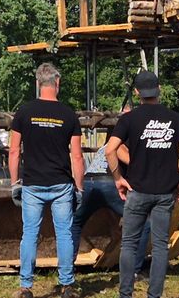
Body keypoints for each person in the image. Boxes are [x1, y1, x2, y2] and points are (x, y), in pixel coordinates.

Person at [105, 70, 179, 298]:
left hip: (137, 191)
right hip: (165, 193)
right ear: (159, 89)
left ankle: (125, 294)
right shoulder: (176, 119)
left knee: (129, 244)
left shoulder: (129, 119)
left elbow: (110, 149)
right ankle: (154, 295)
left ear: (137, 92)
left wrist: (119, 178)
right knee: (159, 247)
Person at [9, 63, 84, 298]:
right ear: (57, 83)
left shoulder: (24, 112)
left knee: (30, 234)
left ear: (38, 84)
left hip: (32, 184)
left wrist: (14, 183)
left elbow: (13, 151)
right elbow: (77, 156)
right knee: (64, 233)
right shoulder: (68, 115)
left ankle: (25, 286)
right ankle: (67, 285)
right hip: (61, 185)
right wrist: (79, 188)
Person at [69, 105, 148, 277]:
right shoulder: (128, 132)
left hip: (90, 181)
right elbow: (119, 150)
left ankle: (67, 268)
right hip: (109, 184)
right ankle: (135, 270)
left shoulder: (113, 136)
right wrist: (141, 164)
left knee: (74, 223)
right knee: (142, 222)